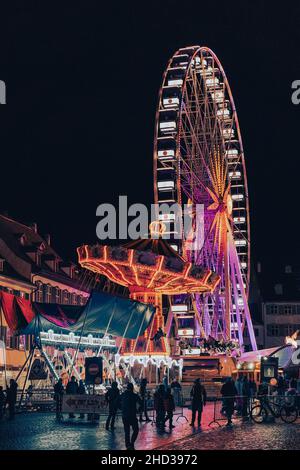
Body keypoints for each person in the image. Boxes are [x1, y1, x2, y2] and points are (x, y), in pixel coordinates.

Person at [121, 383, 142, 450]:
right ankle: (132, 442)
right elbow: (141, 403)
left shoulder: (123, 395)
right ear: (132, 388)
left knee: (127, 431)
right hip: (132, 415)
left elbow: (116, 402)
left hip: (124, 415)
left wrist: (121, 408)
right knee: (136, 429)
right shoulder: (134, 395)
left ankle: (128, 445)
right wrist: (139, 409)